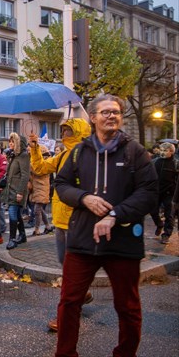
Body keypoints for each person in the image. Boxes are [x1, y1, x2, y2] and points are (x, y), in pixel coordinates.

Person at [54, 94, 157, 356]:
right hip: (82, 240)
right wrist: (84, 198)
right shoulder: (79, 151)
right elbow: (61, 185)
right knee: (69, 302)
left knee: (128, 306)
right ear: (92, 117)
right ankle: (65, 353)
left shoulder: (135, 151)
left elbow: (148, 192)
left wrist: (116, 215)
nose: (112, 116)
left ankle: (125, 353)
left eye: (116, 112)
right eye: (105, 112)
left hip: (122, 241)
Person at [28, 118, 92, 332]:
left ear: (77, 133)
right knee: (65, 265)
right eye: (63, 130)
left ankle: (66, 315)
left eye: (67, 131)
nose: (63, 134)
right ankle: (83, 292)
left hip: (78, 221)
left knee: (71, 271)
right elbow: (39, 167)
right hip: (60, 220)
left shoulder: (86, 156)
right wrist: (35, 147)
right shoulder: (63, 155)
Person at [1, 132, 30, 250]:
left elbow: (25, 175)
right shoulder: (14, 155)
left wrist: (20, 192)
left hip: (17, 190)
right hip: (11, 189)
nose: (11, 144)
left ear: (18, 143)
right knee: (17, 214)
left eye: (13, 142)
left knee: (13, 213)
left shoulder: (23, 155)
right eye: (10, 141)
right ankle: (22, 235)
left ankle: (12, 239)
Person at [151, 142, 178, 244]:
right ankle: (159, 224)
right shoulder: (154, 162)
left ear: (172, 152)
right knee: (153, 211)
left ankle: (166, 235)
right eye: (161, 150)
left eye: (165, 150)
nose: (162, 152)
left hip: (170, 194)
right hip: (156, 192)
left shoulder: (176, 164)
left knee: (169, 215)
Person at [28, 144, 55, 236]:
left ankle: (37, 229)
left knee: (36, 210)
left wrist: (29, 166)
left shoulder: (46, 161)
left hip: (42, 187)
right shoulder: (34, 160)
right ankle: (48, 226)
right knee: (40, 209)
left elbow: (39, 171)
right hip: (36, 187)